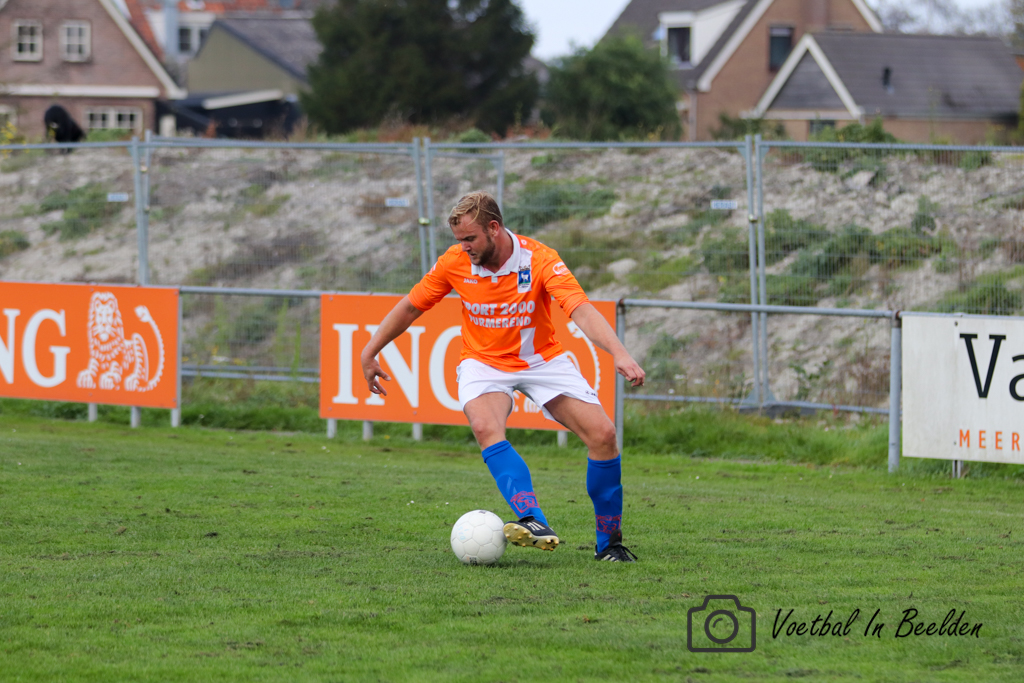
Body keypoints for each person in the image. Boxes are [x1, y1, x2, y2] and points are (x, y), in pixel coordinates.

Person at [360, 192, 646, 562]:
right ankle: (532, 519)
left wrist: (619, 353)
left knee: (603, 435)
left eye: (470, 239)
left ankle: (609, 544)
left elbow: (581, 310)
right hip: (483, 363)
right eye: (459, 240)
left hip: (542, 360)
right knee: (484, 426)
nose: (463, 248)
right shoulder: (454, 262)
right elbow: (411, 307)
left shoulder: (540, 259)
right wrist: (370, 351)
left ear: (494, 228)